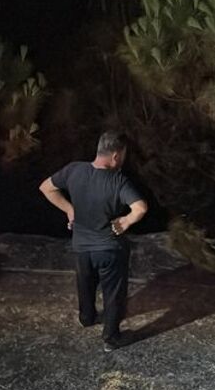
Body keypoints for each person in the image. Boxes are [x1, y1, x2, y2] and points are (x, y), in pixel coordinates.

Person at [39, 130, 148, 352]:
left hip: (81, 247)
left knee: (85, 283)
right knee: (113, 292)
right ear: (116, 156)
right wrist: (126, 221)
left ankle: (87, 317)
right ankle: (111, 337)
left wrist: (69, 209)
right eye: (123, 155)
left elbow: (46, 188)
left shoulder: (74, 170)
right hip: (109, 249)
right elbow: (140, 208)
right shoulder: (118, 181)